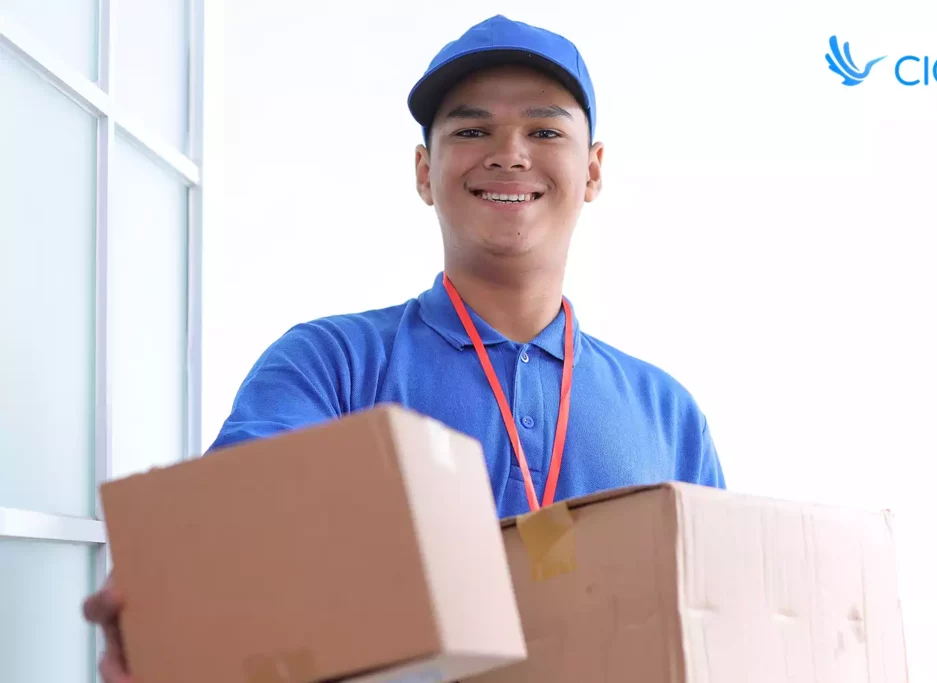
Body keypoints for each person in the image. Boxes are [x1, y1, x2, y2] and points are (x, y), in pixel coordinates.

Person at [82, 14, 725, 682]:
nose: (509, 153)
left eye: (544, 130)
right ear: (424, 171)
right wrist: (169, 588)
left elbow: (718, 622)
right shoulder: (331, 364)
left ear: (592, 170)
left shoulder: (669, 415)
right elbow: (235, 516)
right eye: (471, 130)